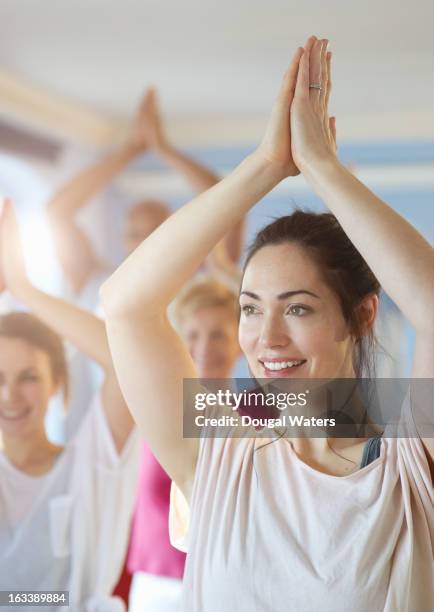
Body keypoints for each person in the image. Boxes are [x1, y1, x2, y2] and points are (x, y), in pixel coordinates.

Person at [100, 36, 434, 611]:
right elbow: (125, 304)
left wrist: (322, 169)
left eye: (298, 307)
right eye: (251, 307)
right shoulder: (219, 454)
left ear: (360, 313)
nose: (266, 337)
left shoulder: (408, 467)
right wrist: (263, 166)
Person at [0, 200, 139, 612]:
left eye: (29, 377)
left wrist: (24, 289)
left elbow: (123, 359)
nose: (10, 396)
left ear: (57, 383)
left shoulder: (91, 465)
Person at [46, 88, 244, 304]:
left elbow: (228, 203)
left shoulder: (203, 288)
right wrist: (131, 148)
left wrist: (163, 148)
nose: (143, 242)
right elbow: (57, 211)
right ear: (123, 240)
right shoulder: (98, 284)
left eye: (155, 232)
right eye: (134, 233)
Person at [127, 278, 240, 611]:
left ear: (239, 341)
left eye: (218, 334)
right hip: (156, 587)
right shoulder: (150, 409)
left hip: (225, 586)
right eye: (192, 335)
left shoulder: (257, 417)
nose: (205, 347)